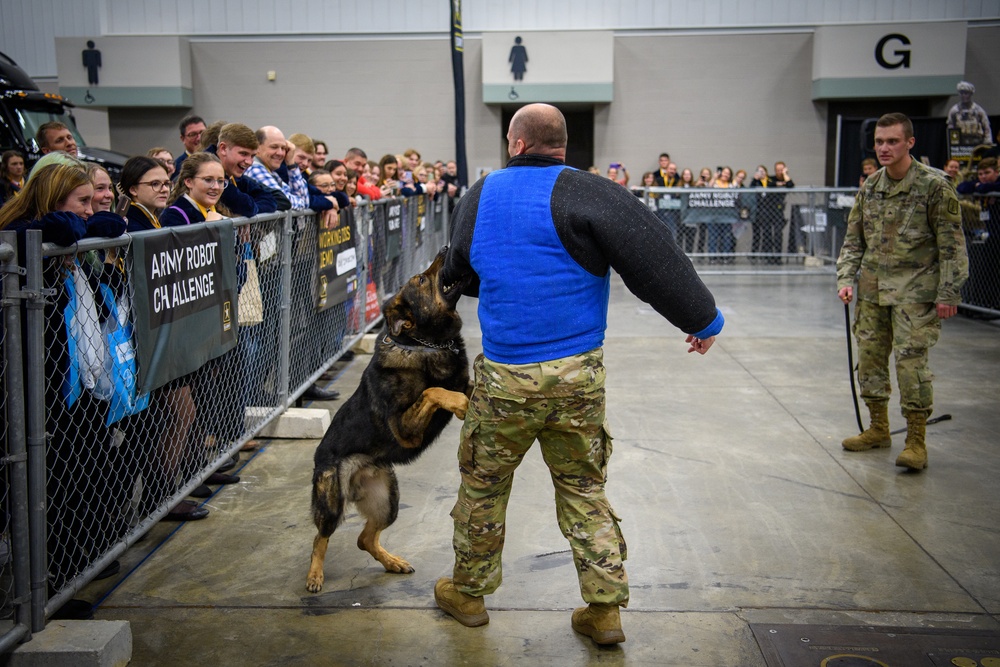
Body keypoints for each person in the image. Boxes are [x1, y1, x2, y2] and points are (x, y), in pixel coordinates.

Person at [435, 103, 724, 645]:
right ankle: (604, 610)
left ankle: (468, 595)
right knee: (583, 488)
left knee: (484, 484)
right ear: (562, 147)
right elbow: (653, 257)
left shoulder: (480, 194)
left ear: (515, 144)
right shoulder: (594, 192)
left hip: (505, 378)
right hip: (577, 377)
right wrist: (702, 319)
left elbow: (459, 272)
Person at [836, 112, 969, 471]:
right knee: (870, 362)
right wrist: (845, 278)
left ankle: (915, 441)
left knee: (911, 366)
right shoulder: (871, 186)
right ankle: (878, 428)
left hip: (916, 294)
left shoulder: (934, 186)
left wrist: (948, 293)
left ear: (910, 142)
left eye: (892, 141)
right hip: (872, 292)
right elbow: (853, 241)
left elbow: (952, 245)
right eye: (879, 142)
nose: (883, 148)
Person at [947, 81, 994, 147]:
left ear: (970, 94)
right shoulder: (954, 110)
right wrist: (952, 144)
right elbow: (950, 128)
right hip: (960, 146)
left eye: (966, 93)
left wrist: (988, 142)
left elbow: (986, 127)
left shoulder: (978, 110)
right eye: (961, 93)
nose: (963, 96)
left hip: (977, 143)